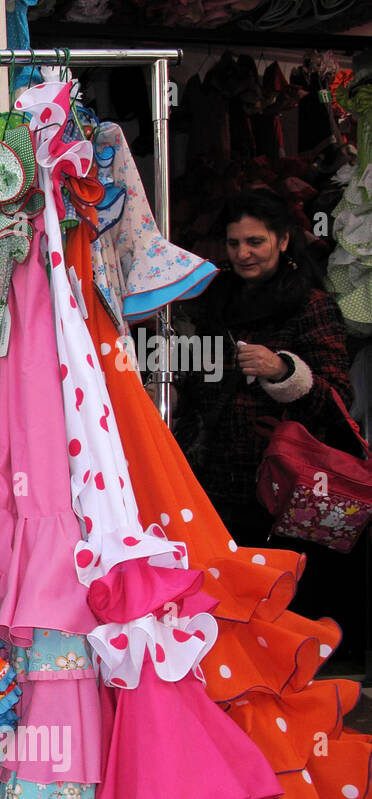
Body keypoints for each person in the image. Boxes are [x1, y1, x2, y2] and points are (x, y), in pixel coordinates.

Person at [173, 187, 361, 653]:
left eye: (255, 241)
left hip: (283, 488)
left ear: (281, 240)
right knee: (228, 597)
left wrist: (284, 371)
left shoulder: (311, 305)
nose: (243, 253)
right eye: (235, 243)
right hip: (214, 477)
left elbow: (337, 396)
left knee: (284, 603)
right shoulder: (212, 300)